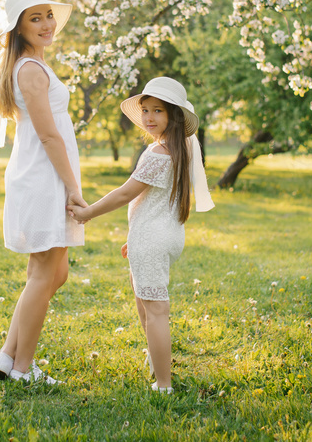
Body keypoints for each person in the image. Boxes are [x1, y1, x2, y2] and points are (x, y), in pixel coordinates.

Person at [68, 77, 214, 393]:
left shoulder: (158, 154)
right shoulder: (179, 150)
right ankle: (156, 359)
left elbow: (124, 194)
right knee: (145, 301)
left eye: (157, 111)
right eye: (145, 110)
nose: (148, 117)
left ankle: (163, 383)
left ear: (174, 115)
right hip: (164, 233)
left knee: (155, 309)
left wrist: (87, 212)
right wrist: (134, 239)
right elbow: (156, 202)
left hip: (153, 237)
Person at [0, 0, 87, 385]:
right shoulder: (29, 69)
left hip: (43, 173)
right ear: (19, 28)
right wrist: (73, 188)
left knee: (53, 271)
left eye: (48, 15)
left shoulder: (33, 65)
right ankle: (23, 369)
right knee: (45, 272)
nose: (47, 24)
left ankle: (8, 354)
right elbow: (48, 136)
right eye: (36, 18)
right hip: (43, 176)